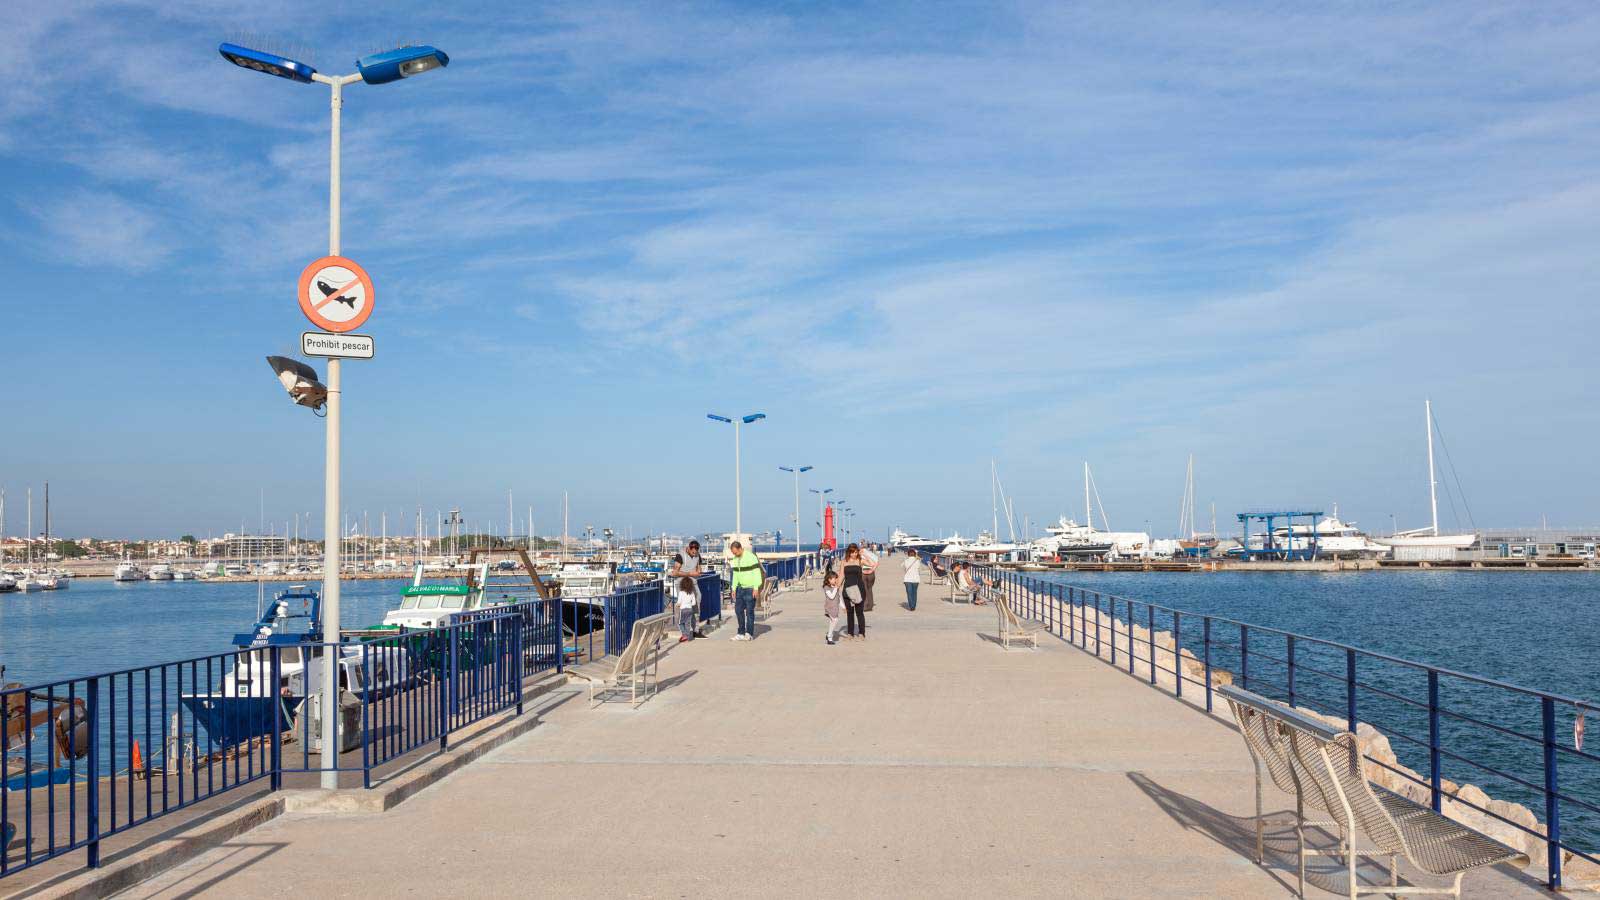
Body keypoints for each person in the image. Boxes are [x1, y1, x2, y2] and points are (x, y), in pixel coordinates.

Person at [728, 540, 763, 641]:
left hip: (750, 588)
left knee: (749, 612)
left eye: (735, 552)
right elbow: (735, 575)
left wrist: (756, 587)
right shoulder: (735, 559)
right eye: (733, 553)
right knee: (738, 610)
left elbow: (757, 573)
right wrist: (733, 588)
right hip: (740, 588)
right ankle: (741, 633)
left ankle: (749, 633)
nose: (734, 554)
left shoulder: (751, 557)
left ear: (740, 548)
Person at [670, 540, 706, 637]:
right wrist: (689, 573)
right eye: (692, 550)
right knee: (684, 605)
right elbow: (674, 573)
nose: (694, 552)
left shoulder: (698, 556)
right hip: (683, 583)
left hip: (693, 582)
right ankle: (684, 630)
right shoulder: (680, 555)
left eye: (696, 550)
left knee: (697, 602)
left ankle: (695, 630)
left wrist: (699, 572)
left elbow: (699, 569)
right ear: (689, 548)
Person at [840, 543, 873, 639]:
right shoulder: (844, 562)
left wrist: (865, 554)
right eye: (852, 552)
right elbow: (841, 575)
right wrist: (836, 586)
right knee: (850, 613)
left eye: (855, 552)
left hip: (859, 590)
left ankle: (862, 633)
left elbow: (872, 564)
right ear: (849, 552)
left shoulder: (860, 561)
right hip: (847, 590)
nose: (854, 554)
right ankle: (850, 633)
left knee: (859, 612)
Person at [674, 575, 698, 642]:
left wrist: (676, 605)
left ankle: (684, 635)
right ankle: (687, 636)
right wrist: (689, 604)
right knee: (688, 623)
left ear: (682, 584)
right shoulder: (692, 593)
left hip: (683, 610)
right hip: (690, 609)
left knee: (680, 623)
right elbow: (694, 603)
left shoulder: (681, 593)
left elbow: (679, 602)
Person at [822, 570, 843, 645]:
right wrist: (836, 588)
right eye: (834, 579)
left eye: (836, 578)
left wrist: (843, 607)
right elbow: (831, 596)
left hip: (835, 608)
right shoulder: (826, 587)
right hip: (829, 608)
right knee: (835, 620)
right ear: (829, 579)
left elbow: (838, 598)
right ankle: (829, 637)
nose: (836, 580)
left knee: (832, 621)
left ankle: (829, 635)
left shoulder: (835, 587)